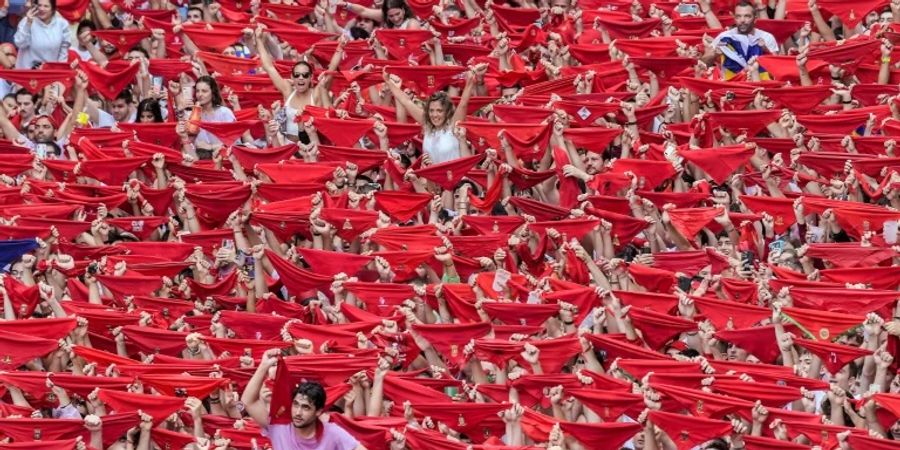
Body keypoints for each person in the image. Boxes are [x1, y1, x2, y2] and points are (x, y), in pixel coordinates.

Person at [242, 350, 365, 450]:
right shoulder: (279, 427)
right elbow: (248, 401)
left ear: (318, 411)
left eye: (306, 407)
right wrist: (264, 366)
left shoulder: (332, 433)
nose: (298, 412)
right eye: (296, 404)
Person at [701, 0, 779, 79]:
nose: (742, 20)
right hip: (731, 87)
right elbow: (703, 65)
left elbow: (777, 71)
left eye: (747, 16)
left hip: (760, 85)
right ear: (734, 18)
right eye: (738, 16)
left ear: (755, 19)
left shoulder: (767, 37)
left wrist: (765, 50)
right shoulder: (724, 37)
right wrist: (712, 54)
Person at [13, 0, 72, 69]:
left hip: (49, 74)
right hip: (27, 72)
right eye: (39, 5)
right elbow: (19, 43)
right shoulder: (26, 21)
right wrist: (28, 24)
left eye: (46, 6)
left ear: (53, 9)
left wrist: (59, 72)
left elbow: (63, 53)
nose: (41, 9)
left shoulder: (62, 24)